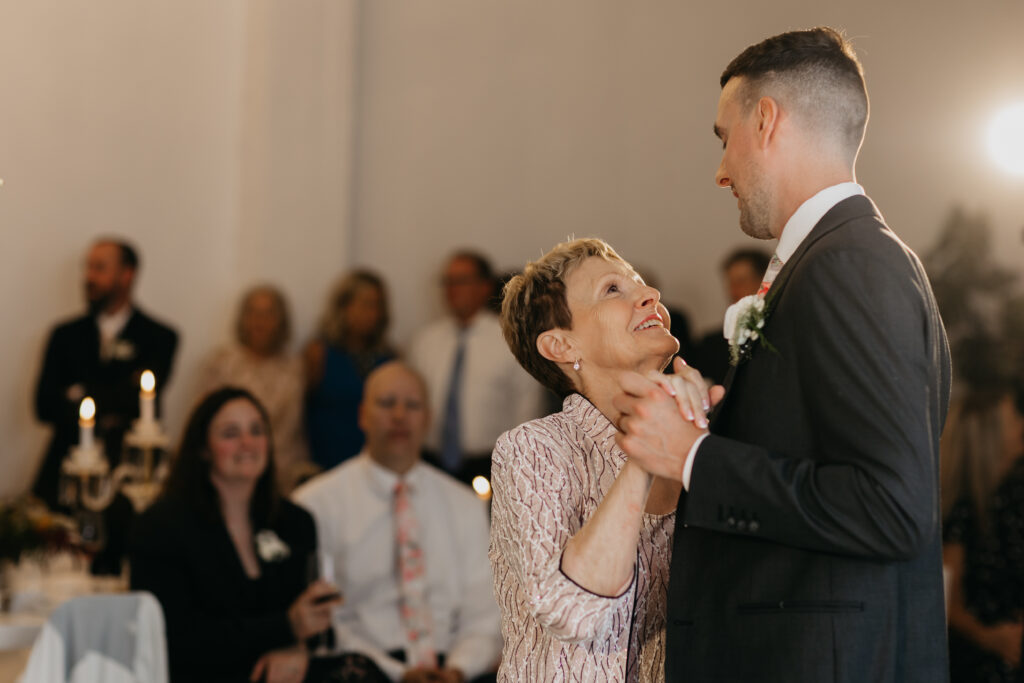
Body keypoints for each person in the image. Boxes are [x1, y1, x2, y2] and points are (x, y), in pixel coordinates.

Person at [615, 27, 951, 681]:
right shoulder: (845, 256)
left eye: (723, 137)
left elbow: (890, 505)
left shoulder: (849, 264)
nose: (720, 171)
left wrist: (692, 457)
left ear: (766, 120)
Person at [491, 238, 712, 681]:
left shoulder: (706, 444)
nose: (651, 295)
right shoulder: (532, 449)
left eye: (641, 285)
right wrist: (646, 450)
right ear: (560, 346)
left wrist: (700, 444)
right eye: (613, 290)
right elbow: (573, 615)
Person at [293, 361, 501, 683]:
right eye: (387, 403)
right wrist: (399, 674)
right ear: (362, 415)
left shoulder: (465, 504)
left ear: (427, 419)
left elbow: (484, 612)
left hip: (456, 671)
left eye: (412, 405)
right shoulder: (316, 504)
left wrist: (459, 669)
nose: (400, 416)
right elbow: (328, 619)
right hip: (366, 672)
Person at [130, 387, 342, 683]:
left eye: (257, 431)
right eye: (230, 433)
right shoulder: (163, 527)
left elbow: (316, 622)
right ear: (203, 449)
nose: (247, 443)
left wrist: (297, 647)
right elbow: (176, 640)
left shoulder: (295, 521)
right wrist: (286, 627)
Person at [33, 238, 178, 509]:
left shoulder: (159, 337)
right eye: (87, 268)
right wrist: (115, 398)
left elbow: (139, 401)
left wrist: (79, 393)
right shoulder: (65, 335)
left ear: (127, 274)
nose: (89, 277)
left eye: (99, 268)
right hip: (66, 467)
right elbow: (44, 405)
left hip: (128, 472)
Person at [408, 250, 544, 486]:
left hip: (488, 464)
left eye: (461, 281)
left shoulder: (509, 341)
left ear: (484, 287)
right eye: (447, 282)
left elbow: (527, 410)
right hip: (430, 462)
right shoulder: (425, 341)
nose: (452, 289)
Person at [941, 387, 1024, 682]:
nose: (1021, 425)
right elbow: (946, 601)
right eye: (1013, 419)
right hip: (985, 666)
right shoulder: (960, 514)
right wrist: (989, 638)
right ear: (989, 439)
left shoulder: (1012, 499)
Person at [200, 284, 309, 492]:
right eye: (253, 312)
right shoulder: (223, 363)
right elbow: (206, 418)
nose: (261, 321)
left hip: (284, 474)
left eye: (269, 313)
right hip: (231, 470)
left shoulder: (298, 367)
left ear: (281, 320)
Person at [305, 270, 396, 471]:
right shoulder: (319, 353)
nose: (373, 314)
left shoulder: (389, 358)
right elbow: (301, 413)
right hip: (326, 465)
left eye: (378, 305)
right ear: (344, 307)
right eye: (366, 305)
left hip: (377, 465)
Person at [690, 248, 771, 385]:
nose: (734, 290)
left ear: (765, 281)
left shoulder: (781, 333)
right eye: (730, 282)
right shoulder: (711, 344)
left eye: (742, 281)